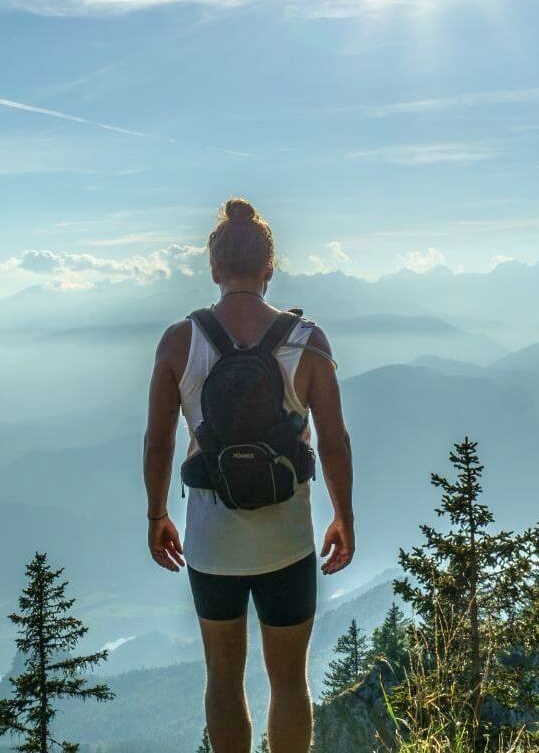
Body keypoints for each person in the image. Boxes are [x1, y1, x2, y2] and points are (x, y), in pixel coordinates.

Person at [143, 197, 355, 753]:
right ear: (270, 268)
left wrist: (157, 513)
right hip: (288, 538)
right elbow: (333, 440)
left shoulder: (178, 342)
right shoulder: (308, 342)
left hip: (211, 542)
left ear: (214, 269)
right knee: (289, 682)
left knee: (222, 678)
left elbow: (158, 438)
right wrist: (344, 516)